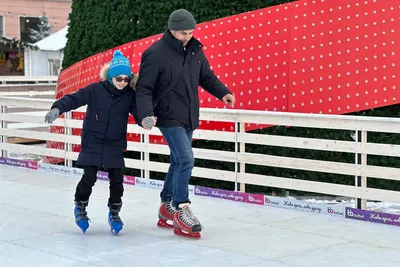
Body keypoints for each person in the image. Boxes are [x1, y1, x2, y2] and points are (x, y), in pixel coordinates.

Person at [135, 8, 236, 238]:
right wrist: (145, 114)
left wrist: (223, 93)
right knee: (185, 158)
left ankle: (165, 205)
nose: (187, 37)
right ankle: (182, 208)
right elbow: (144, 88)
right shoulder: (155, 53)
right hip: (168, 115)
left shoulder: (195, 51)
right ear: (172, 30)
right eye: (183, 33)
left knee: (178, 160)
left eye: (191, 32)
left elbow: (206, 77)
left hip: (189, 114)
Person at [44, 50, 139, 235]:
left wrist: (147, 119)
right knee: (89, 177)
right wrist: (57, 108)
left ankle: (114, 212)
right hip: (93, 141)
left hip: (114, 143)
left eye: (126, 79)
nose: (122, 82)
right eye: (119, 78)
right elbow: (74, 98)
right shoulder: (95, 90)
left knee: (117, 181)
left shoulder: (129, 95)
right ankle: (80, 206)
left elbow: (140, 111)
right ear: (111, 76)